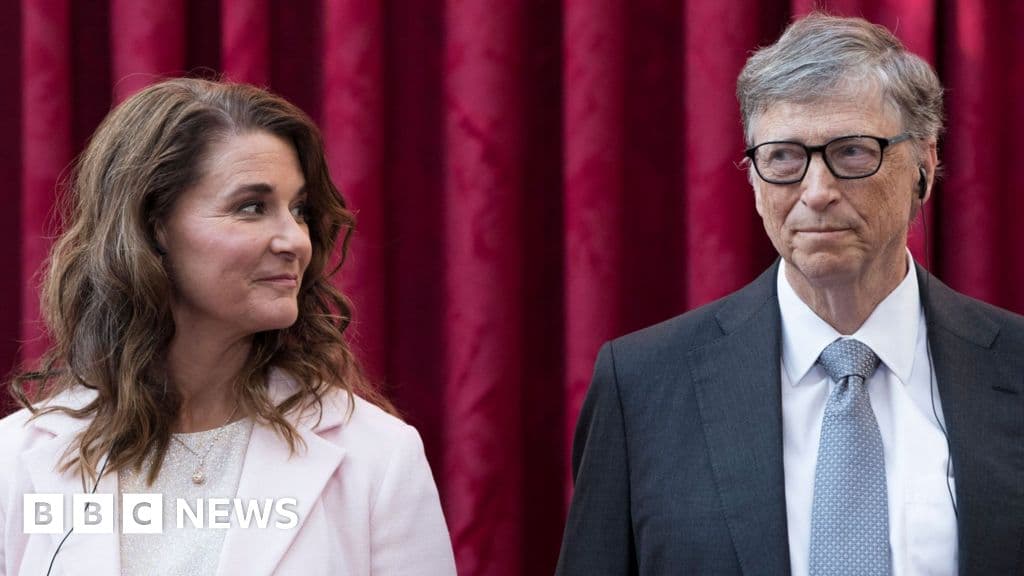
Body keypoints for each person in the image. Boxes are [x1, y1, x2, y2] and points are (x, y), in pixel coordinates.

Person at [556, 13, 1024, 576]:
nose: (817, 191)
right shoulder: (643, 387)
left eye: (853, 152)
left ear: (923, 166)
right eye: (784, 158)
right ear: (754, 181)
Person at [0, 78, 457, 576]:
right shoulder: (17, 458)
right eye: (252, 207)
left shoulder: (379, 457)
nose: (294, 240)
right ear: (153, 227)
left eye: (299, 210)